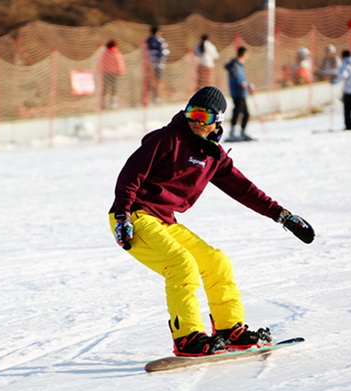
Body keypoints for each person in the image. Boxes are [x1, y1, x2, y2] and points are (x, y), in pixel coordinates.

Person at [108, 86, 315, 357]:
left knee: (217, 262)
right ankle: (187, 337)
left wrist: (282, 215)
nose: (195, 121)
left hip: (165, 221)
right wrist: (123, 214)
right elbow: (130, 176)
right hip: (134, 215)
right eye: (192, 113)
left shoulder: (213, 156)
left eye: (204, 117)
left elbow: (245, 190)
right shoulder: (167, 139)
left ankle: (230, 330)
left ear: (216, 121)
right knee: (181, 265)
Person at [224, 46, 255, 142]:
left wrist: (248, 85)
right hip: (237, 93)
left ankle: (242, 132)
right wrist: (246, 85)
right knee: (237, 113)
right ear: (243, 54)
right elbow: (239, 80)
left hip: (242, 93)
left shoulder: (239, 65)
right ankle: (232, 134)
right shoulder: (235, 65)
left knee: (245, 113)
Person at [146, 25, 170, 104]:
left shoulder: (147, 40)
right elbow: (165, 52)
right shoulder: (160, 40)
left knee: (150, 80)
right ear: (157, 32)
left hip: (148, 63)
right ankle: (157, 97)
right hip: (158, 64)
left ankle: (148, 98)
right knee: (158, 80)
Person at [99, 39, 126, 109]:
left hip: (105, 73)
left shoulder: (104, 53)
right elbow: (119, 63)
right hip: (114, 73)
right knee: (114, 89)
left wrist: (100, 71)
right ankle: (113, 104)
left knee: (104, 89)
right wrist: (121, 71)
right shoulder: (116, 53)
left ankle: (103, 104)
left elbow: (101, 63)